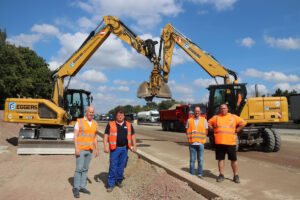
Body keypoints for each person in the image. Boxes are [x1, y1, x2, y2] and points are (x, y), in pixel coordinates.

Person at [208, 104, 247, 184]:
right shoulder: (216, 117)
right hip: (219, 142)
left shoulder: (233, 117)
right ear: (220, 110)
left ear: (227, 109)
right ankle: (221, 175)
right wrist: (212, 128)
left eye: (224, 108)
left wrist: (238, 129)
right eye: (221, 108)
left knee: (233, 160)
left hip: (231, 143)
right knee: (220, 159)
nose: (223, 110)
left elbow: (244, 122)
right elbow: (208, 123)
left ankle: (236, 176)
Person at [103, 108, 137, 192]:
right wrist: (105, 146)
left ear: (124, 116)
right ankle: (111, 184)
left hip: (125, 149)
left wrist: (134, 146)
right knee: (113, 166)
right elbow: (106, 135)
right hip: (115, 149)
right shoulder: (111, 124)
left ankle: (119, 180)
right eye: (118, 114)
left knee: (121, 166)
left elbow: (132, 135)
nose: (120, 116)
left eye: (121, 114)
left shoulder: (128, 124)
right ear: (116, 116)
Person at [73, 106, 99, 198]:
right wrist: (76, 148)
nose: (91, 114)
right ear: (86, 112)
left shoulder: (95, 123)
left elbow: (95, 137)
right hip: (81, 149)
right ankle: (76, 188)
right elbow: (75, 135)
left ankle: (82, 186)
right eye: (90, 112)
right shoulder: (79, 122)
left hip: (90, 150)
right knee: (79, 169)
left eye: (92, 112)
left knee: (85, 169)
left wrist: (97, 149)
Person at [186, 106, 208, 178]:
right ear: (193, 112)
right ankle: (192, 174)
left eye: (198, 111)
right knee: (192, 160)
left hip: (200, 143)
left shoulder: (204, 120)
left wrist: (201, 139)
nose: (197, 112)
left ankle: (200, 174)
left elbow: (206, 131)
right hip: (192, 143)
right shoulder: (189, 120)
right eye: (195, 111)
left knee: (200, 160)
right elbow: (187, 131)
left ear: (200, 112)